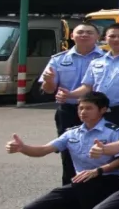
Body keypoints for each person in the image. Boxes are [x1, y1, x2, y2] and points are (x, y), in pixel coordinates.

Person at [9, 92, 119, 209]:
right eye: (80, 108)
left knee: (86, 186)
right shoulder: (71, 133)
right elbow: (44, 150)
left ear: (103, 110)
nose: (83, 112)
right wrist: (23, 148)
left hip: (106, 180)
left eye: (88, 108)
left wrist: (98, 171)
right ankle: (84, 208)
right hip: (80, 182)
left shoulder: (114, 132)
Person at [39, 22, 103, 184]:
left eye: (89, 32)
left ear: (97, 36)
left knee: (99, 150)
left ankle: (99, 187)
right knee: (69, 150)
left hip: (99, 112)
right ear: (72, 36)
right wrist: (48, 81)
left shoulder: (106, 58)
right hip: (68, 110)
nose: (84, 35)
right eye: (80, 32)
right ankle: (69, 186)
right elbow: (48, 89)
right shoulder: (58, 59)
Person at [64, 23, 119, 134]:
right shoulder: (96, 61)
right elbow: (87, 87)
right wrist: (69, 94)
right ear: (105, 38)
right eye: (112, 36)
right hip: (98, 111)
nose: (116, 39)